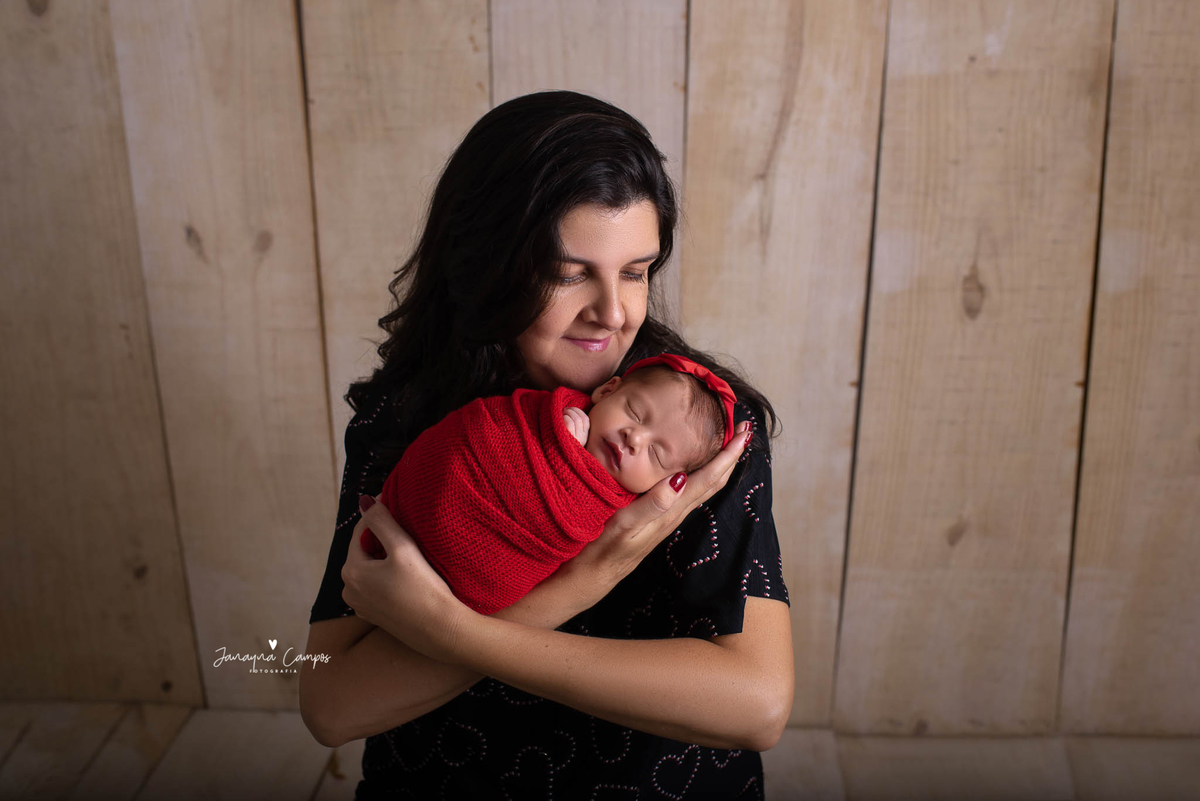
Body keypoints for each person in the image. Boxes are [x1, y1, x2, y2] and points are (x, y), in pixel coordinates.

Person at [299, 90, 794, 799]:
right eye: (568, 273)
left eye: (636, 271)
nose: (614, 312)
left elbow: (758, 704)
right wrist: (575, 585)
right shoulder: (408, 416)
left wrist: (452, 630)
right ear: (487, 264)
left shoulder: (695, 429)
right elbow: (331, 705)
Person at [362, 355, 738, 615]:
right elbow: (476, 436)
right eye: (635, 413)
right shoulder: (547, 415)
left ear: (665, 483)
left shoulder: (628, 514)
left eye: (656, 454)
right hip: (419, 508)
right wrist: (557, 444)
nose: (634, 438)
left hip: (470, 597)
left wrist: (570, 468)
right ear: (608, 391)